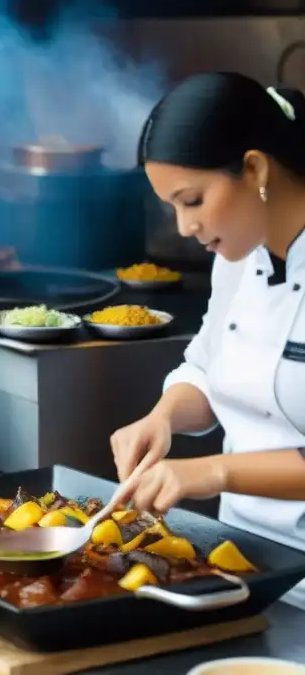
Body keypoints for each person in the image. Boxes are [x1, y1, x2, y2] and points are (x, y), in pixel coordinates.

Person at [111, 72, 305, 608]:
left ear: (254, 168)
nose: (183, 227)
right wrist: (164, 417)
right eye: (172, 206)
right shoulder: (239, 256)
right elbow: (207, 369)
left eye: (191, 200)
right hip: (246, 560)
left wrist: (212, 472)